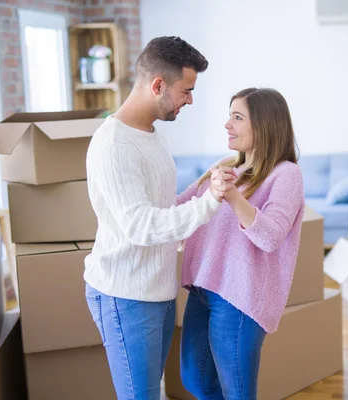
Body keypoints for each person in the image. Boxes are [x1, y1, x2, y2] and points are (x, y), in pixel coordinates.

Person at [83, 36, 236, 400]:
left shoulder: (152, 136)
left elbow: (162, 206)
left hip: (157, 290)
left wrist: (204, 187)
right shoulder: (113, 146)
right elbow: (141, 226)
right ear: (157, 85)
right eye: (186, 90)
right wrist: (209, 202)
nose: (190, 100)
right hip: (126, 295)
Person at [177, 87, 305, 399]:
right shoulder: (227, 166)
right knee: (195, 379)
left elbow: (272, 235)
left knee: (238, 393)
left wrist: (232, 196)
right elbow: (181, 205)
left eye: (237, 117)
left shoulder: (286, 174)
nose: (227, 125)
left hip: (240, 299)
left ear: (263, 126)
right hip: (204, 289)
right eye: (229, 115)